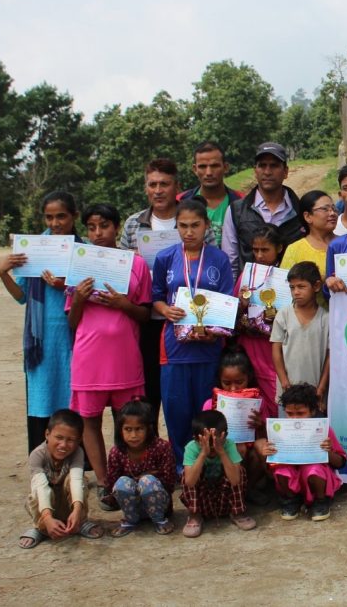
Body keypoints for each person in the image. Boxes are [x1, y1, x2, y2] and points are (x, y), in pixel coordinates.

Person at [66, 203, 152, 507]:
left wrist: (122, 304)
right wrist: (78, 298)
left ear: (117, 228)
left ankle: (128, 478)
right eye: (91, 227)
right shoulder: (78, 265)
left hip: (125, 359)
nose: (98, 233)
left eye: (104, 226)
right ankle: (104, 482)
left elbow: (144, 314)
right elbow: (72, 322)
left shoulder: (136, 264)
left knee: (128, 420)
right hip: (88, 359)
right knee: (89, 421)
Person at [152, 198, 235, 466]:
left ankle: (209, 465)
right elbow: (156, 297)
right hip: (174, 347)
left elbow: (226, 301)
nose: (189, 232)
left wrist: (214, 332)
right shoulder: (165, 257)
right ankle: (181, 466)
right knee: (176, 411)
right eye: (183, 226)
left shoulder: (219, 259)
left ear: (206, 225)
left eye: (195, 225)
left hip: (208, 346)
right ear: (176, 226)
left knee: (205, 411)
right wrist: (165, 310)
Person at [0, 190, 80, 453]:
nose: (55, 223)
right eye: (49, 217)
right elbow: (22, 296)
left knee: (73, 399)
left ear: (74, 216)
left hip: (75, 334)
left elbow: (96, 291)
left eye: (61, 217)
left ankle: (78, 463)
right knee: (42, 397)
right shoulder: (33, 249)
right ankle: (42, 460)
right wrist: (3, 273)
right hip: (41, 338)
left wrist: (65, 285)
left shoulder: (84, 249)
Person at [119, 159, 200, 424]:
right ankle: (151, 455)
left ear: (176, 186)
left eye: (164, 184)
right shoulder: (133, 224)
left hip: (185, 318)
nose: (158, 190)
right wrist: (130, 261)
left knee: (185, 396)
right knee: (148, 393)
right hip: (146, 319)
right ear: (145, 188)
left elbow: (209, 259)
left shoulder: (192, 218)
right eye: (152, 184)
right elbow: (120, 272)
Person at [256, 383, 347, 521]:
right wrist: (267, 454)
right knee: (281, 469)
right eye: (290, 413)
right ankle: (290, 500)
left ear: (312, 411)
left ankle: (321, 501)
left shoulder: (322, 430)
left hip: (316, 479)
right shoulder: (279, 431)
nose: (295, 419)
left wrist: (328, 453)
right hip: (292, 479)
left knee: (314, 469)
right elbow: (270, 469)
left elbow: (341, 462)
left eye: (300, 413)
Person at [19, 409, 103, 549]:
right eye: (59, 437)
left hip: (67, 503)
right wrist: (47, 518)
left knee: (81, 480)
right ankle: (41, 528)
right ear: (47, 434)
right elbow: (41, 488)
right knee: (36, 489)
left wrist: (77, 511)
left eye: (70, 440)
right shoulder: (37, 455)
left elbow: (76, 481)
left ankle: (80, 522)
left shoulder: (78, 452)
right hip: (45, 504)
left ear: (79, 440)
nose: (63, 445)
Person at [221, 142, 304, 278]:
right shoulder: (236, 211)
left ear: (286, 172)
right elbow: (231, 263)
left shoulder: (300, 212)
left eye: (274, 165)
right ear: (255, 171)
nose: (267, 172)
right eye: (262, 165)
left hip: (291, 294)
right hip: (248, 294)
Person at [180, 409, 256, 538]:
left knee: (239, 470)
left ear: (224, 436)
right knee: (187, 474)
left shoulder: (228, 445)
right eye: (207, 442)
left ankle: (237, 512)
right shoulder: (191, 448)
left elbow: (235, 480)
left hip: (225, 498)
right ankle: (194, 516)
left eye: (216, 442)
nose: (212, 447)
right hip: (203, 500)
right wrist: (203, 453)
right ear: (196, 438)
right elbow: (190, 482)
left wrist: (222, 452)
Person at [235, 225, 285, 419]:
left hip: (273, 349)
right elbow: (232, 315)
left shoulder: (286, 277)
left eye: (265, 250)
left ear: (279, 248)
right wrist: (241, 304)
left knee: (273, 398)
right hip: (249, 347)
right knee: (250, 398)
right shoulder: (246, 275)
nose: (259, 255)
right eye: (255, 250)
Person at [106, 399, 176, 537]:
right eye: (128, 429)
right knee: (122, 483)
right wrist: (135, 482)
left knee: (147, 481)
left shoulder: (162, 447)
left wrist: (145, 480)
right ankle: (130, 520)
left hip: (159, 504)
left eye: (139, 429)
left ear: (148, 428)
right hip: (131, 504)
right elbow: (111, 483)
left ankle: (159, 520)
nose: (133, 435)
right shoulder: (116, 452)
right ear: (120, 430)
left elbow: (170, 482)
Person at [204, 347, 268, 498]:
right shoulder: (209, 404)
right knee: (238, 449)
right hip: (221, 452)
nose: (233, 388)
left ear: (249, 378)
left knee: (261, 446)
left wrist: (260, 425)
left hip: (249, 451)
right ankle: (231, 492)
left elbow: (267, 436)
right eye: (226, 383)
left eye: (239, 382)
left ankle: (247, 490)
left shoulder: (258, 402)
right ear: (219, 380)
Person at [272, 262, 330, 400]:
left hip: (315, 394)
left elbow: (330, 356)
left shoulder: (326, 318)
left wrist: (321, 388)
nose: (296, 292)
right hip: (287, 391)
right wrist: (284, 382)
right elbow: (276, 350)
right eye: (292, 287)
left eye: (301, 286)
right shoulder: (283, 314)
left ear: (316, 286)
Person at [178, 141, 244, 244]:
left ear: (225, 167)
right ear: (195, 169)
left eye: (215, 166)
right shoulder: (180, 201)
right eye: (203, 167)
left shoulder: (242, 202)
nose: (209, 172)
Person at [280, 190, 336, 308]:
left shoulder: (346, 243)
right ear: (308, 216)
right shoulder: (294, 249)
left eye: (334, 208)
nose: (332, 213)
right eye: (325, 209)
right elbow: (284, 291)